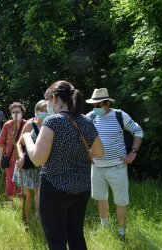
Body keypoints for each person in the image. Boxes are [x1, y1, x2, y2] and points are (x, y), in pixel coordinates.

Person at [23, 80, 104, 249]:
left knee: (57, 242)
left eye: (48, 100)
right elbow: (99, 152)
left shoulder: (52, 121)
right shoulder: (86, 121)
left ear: (54, 98)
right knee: (77, 237)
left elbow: (37, 159)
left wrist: (26, 139)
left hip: (55, 189)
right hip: (81, 189)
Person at [86, 88, 143, 241]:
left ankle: (121, 233)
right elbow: (80, 135)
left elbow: (138, 131)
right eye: (93, 105)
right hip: (96, 168)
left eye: (98, 105)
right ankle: (105, 227)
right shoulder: (90, 117)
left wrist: (133, 152)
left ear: (107, 102)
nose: (95, 108)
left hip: (117, 167)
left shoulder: (120, 115)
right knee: (100, 198)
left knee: (121, 201)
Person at [14, 100, 48, 225]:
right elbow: (19, 143)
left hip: (40, 164)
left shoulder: (49, 126)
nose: (45, 113)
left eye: (47, 111)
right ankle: (25, 219)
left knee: (38, 191)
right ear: (37, 111)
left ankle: (38, 215)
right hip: (27, 164)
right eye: (42, 111)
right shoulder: (30, 124)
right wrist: (21, 156)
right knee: (27, 194)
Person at [0, 102, 27, 202]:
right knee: (10, 180)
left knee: (23, 180)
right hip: (9, 157)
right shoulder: (7, 125)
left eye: (18, 111)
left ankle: (22, 201)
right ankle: (10, 201)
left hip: (23, 157)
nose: (16, 114)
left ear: (22, 112)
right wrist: (0, 157)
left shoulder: (27, 124)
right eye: (13, 112)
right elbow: (1, 142)